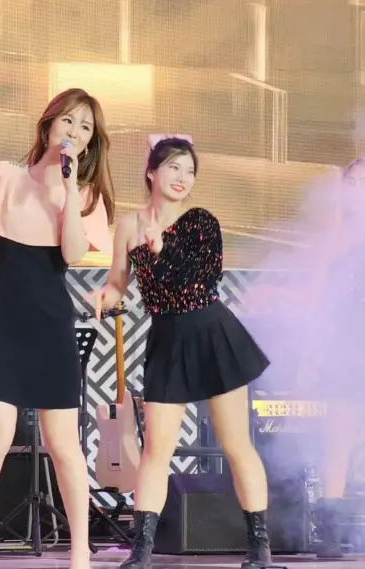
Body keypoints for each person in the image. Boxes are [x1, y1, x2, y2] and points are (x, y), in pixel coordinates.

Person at [0, 88, 114, 569]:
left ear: (90, 141)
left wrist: (68, 192)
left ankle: (80, 553)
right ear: (48, 124)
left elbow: (73, 254)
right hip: (0, 319)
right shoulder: (4, 175)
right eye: (68, 120)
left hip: (50, 325)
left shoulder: (86, 196)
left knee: (63, 443)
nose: (74, 131)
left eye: (85, 127)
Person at [87, 136, 274, 569]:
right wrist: (103, 297)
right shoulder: (130, 225)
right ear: (152, 172)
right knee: (156, 449)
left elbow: (204, 279)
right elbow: (117, 284)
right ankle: (141, 553)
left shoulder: (201, 221)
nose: (182, 178)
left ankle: (259, 551)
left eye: (190, 171)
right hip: (167, 339)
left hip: (212, 334)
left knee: (236, 444)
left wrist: (161, 248)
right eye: (174, 167)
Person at [242, 157, 365, 560]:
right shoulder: (333, 240)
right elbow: (314, 296)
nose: (356, 190)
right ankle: (329, 534)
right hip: (347, 347)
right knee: (338, 440)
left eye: (363, 182)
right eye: (351, 182)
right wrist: (271, 294)